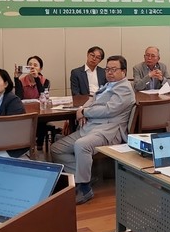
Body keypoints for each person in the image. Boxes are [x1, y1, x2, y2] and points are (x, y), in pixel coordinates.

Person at [51, 55, 135, 205]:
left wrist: (85, 112)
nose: (109, 72)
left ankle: (84, 188)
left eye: (114, 69)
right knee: (57, 148)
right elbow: (92, 99)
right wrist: (82, 108)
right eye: (107, 69)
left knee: (82, 145)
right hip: (90, 127)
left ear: (124, 72)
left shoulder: (125, 89)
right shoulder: (108, 85)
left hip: (109, 130)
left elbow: (109, 110)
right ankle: (84, 176)